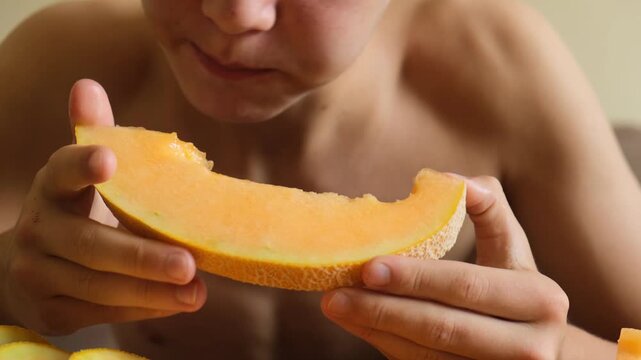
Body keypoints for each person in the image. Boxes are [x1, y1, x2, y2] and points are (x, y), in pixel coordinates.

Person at [0, 0, 638, 358]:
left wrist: (563, 355)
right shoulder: (57, 61)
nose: (237, 13)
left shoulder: (504, 72)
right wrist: (10, 276)